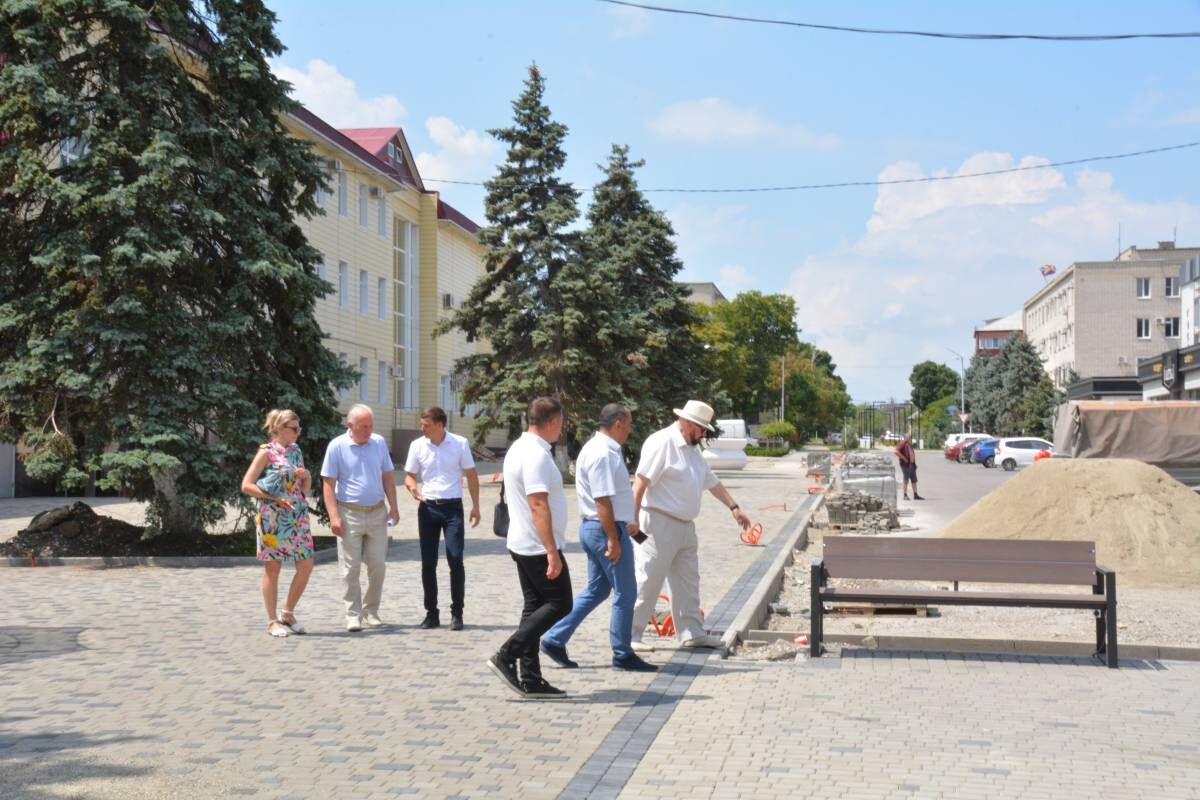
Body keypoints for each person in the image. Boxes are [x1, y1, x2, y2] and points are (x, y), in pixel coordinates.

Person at [539, 403, 658, 673]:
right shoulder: (603, 453)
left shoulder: (599, 449)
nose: (629, 430)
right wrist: (613, 539)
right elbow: (602, 500)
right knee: (626, 592)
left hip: (600, 527)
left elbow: (610, 498)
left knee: (597, 589)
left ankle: (555, 638)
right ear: (617, 424)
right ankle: (622, 652)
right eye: (628, 425)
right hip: (604, 529)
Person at [629, 400, 752, 652]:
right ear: (686, 422)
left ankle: (691, 632)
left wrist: (734, 507)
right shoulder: (662, 442)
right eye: (701, 428)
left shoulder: (692, 448)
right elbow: (639, 483)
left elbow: (711, 481)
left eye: (705, 429)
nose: (704, 433)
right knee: (648, 579)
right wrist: (632, 521)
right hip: (657, 524)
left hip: (685, 526)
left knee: (688, 581)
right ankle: (630, 634)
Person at [486, 397, 573, 699]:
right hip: (537, 545)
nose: (561, 430)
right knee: (561, 603)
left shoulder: (519, 449)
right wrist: (552, 550)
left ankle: (532, 679)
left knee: (534, 607)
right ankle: (506, 655)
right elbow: (538, 504)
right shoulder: (535, 455)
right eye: (560, 424)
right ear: (550, 422)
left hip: (524, 541)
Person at [321, 404, 400, 632]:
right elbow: (328, 484)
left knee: (378, 564)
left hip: (377, 512)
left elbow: (387, 476)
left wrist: (393, 506)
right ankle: (352, 614)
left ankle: (371, 610)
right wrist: (333, 515)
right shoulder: (337, 446)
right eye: (363, 426)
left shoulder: (378, 443)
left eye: (370, 425)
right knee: (350, 567)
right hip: (349, 513)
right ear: (350, 426)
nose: (368, 430)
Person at [403, 406, 481, 631]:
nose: (422, 429)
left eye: (426, 425)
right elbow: (409, 475)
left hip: (452, 508)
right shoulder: (417, 445)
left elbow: (472, 474)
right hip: (428, 509)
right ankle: (431, 613)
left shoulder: (460, 443)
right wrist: (412, 488)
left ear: (439, 425)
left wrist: (476, 506)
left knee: (455, 558)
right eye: (421, 425)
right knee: (428, 562)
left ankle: (457, 613)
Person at [240, 409, 315, 638]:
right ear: (280, 429)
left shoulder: (295, 450)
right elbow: (246, 485)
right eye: (294, 428)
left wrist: (306, 475)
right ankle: (272, 621)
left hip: (297, 515)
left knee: (306, 564)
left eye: (299, 428)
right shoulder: (267, 452)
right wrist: (274, 499)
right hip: (273, 518)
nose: (298, 432)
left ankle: (288, 612)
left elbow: (304, 489)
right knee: (273, 568)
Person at [896, 432, 923, 500]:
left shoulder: (909, 444)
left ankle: (915, 495)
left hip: (912, 464)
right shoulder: (902, 443)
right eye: (908, 437)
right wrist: (904, 458)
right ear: (905, 437)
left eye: (910, 437)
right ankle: (905, 495)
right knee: (906, 479)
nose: (909, 438)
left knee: (914, 480)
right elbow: (896, 451)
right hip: (905, 465)